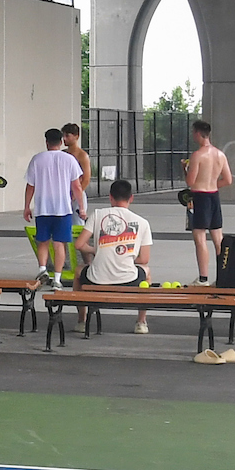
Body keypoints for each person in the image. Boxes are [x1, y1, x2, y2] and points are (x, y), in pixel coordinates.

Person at [75, 177, 153, 334]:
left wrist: (95, 250)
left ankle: (82, 321)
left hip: (96, 280)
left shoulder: (97, 215)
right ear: (131, 198)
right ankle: (141, 322)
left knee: (78, 271)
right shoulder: (143, 222)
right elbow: (144, 259)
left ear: (110, 197)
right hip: (129, 280)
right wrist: (126, 257)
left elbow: (79, 245)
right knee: (147, 272)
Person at [23, 127, 86, 287]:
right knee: (59, 244)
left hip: (43, 208)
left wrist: (26, 206)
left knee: (42, 241)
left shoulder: (37, 159)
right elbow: (77, 186)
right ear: (61, 141)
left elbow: (30, 186)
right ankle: (57, 279)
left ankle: (43, 269)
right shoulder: (69, 159)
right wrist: (82, 208)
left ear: (46, 142)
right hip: (63, 209)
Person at [184, 119, 232, 281]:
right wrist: (213, 184)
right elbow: (228, 180)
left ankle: (203, 278)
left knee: (200, 238)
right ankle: (223, 277)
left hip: (200, 196)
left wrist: (185, 169)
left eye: (193, 132)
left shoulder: (197, 155)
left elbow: (190, 182)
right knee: (218, 238)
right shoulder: (220, 154)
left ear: (197, 133)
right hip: (213, 195)